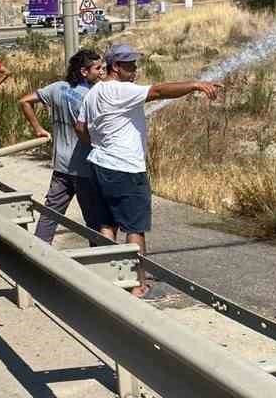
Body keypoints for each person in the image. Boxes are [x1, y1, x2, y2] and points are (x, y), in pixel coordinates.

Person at [77, 43, 220, 295]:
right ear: (116, 67)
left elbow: (80, 127)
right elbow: (158, 90)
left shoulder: (93, 92)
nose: (135, 69)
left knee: (106, 225)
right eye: (130, 65)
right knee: (135, 228)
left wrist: (99, 143)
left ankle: (111, 280)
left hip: (99, 164)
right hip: (126, 169)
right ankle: (136, 284)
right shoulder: (121, 90)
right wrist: (195, 84)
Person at [19, 48, 108, 244]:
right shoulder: (92, 96)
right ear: (84, 71)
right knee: (95, 221)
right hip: (86, 168)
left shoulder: (58, 88)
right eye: (98, 68)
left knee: (50, 215)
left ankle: (39, 255)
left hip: (61, 166)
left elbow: (25, 101)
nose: (101, 72)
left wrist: (38, 128)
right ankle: (100, 261)